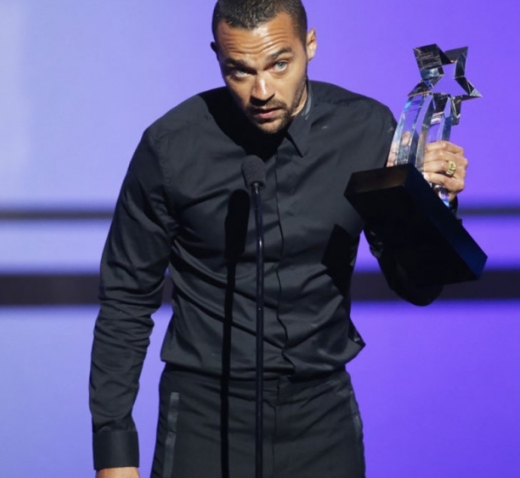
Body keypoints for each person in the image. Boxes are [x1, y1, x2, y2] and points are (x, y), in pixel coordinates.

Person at [89, 1, 469, 477]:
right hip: (205, 416)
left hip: (321, 414)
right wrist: (114, 455)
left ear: (310, 45)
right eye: (240, 71)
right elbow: (126, 298)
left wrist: (431, 207)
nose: (262, 91)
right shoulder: (171, 148)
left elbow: (416, 288)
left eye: (280, 64)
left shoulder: (367, 130)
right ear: (217, 57)